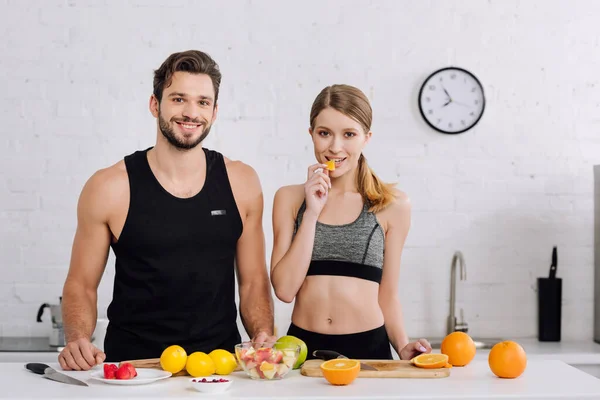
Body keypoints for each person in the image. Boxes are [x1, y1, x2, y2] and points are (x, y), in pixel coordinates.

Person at [58, 50, 276, 371]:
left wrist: (262, 332)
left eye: (203, 102)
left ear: (214, 112)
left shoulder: (241, 182)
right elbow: (81, 284)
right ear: (154, 104)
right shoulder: (109, 187)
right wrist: (77, 336)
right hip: (132, 368)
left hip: (217, 368)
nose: (191, 112)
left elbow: (254, 280)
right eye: (178, 99)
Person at [270, 84, 431, 361]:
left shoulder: (392, 206)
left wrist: (402, 346)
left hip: (369, 351)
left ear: (366, 138)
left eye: (349, 134)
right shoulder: (290, 199)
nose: (335, 147)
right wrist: (311, 213)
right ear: (311, 135)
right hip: (302, 351)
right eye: (324, 133)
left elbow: (388, 295)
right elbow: (284, 290)